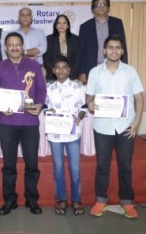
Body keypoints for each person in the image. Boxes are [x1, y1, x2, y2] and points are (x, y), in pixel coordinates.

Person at [86, 35, 144, 219]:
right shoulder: (95, 72)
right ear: (104, 50)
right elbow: (89, 97)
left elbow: (139, 98)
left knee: (125, 166)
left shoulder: (130, 72)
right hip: (102, 126)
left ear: (122, 51)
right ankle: (100, 200)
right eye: (110, 47)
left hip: (126, 126)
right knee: (102, 165)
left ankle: (126, 201)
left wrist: (136, 123)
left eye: (118, 48)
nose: (114, 51)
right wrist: (90, 104)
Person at [0, 32, 46, 215]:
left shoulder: (34, 65)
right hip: (8, 123)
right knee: (9, 165)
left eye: (17, 44)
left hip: (30, 122)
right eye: (10, 44)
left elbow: (41, 90)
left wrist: (39, 105)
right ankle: (10, 201)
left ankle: (32, 200)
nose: (14, 47)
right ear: (5, 48)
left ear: (23, 46)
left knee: (32, 164)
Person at [45, 55, 86, 215]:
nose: (61, 70)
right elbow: (44, 107)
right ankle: (61, 199)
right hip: (55, 134)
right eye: (58, 67)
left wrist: (79, 117)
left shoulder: (77, 87)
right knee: (58, 168)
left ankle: (76, 199)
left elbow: (83, 107)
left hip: (73, 134)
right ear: (53, 71)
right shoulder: (49, 88)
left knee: (75, 169)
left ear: (69, 70)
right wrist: (49, 111)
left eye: (64, 67)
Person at [79, 0, 127, 84]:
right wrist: (82, 71)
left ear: (108, 7)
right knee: (94, 96)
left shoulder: (117, 23)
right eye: (97, 5)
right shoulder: (85, 27)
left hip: (114, 67)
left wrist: (124, 67)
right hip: (92, 68)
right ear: (93, 9)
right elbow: (81, 51)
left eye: (103, 4)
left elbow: (122, 47)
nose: (100, 7)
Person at [43, 14, 80, 81]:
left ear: (68, 25)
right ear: (56, 26)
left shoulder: (75, 39)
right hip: (53, 76)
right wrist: (56, 71)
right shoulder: (48, 39)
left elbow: (77, 59)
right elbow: (46, 60)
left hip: (71, 76)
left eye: (64, 23)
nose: (62, 25)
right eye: (59, 23)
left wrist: (69, 72)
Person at [15, 7, 47, 77]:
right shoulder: (13, 34)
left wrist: (23, 52)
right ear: (19, 18)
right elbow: (12, 51)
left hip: (38, 68)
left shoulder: (40, 32)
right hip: (18, 69)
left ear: (31, 18)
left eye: (28, 15)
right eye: (23, 15)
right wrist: (31, 54)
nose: (25, 17)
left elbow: (43, 49)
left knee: (39, 88)